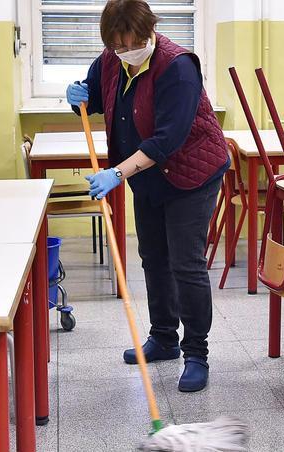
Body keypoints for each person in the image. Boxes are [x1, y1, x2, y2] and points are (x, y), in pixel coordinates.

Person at [66, 0, 229, 392]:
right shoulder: (110, 60)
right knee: (153, 255)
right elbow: (97, 100)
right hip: (149, 178)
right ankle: (164, 338)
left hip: (192, 174)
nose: (125, 52)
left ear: (148, 32)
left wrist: (117, 173)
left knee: (186, 263)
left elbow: (167, 140)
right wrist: (77, 99)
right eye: (118, 46)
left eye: (132, 43)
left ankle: (196, 354)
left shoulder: (178, 67)